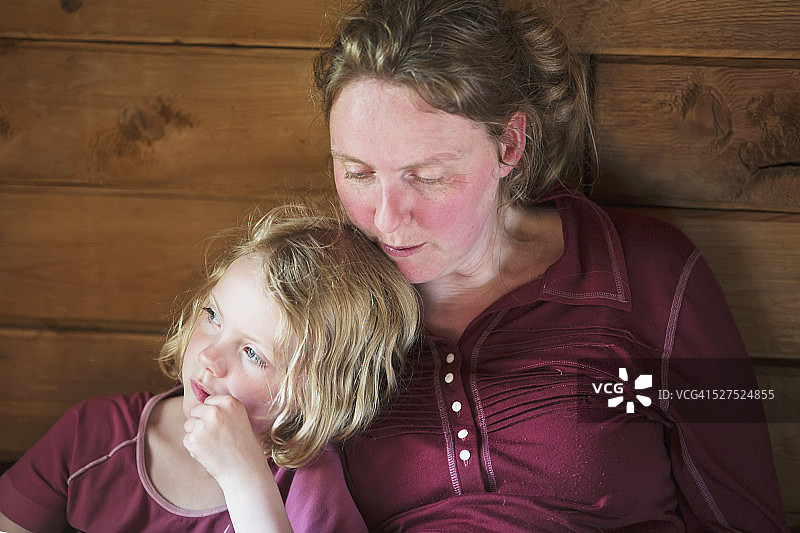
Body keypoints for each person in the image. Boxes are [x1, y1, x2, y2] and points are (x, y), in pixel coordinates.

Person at [313, 0, 790, 531]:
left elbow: (743, 517)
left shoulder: (649, 275)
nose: (386, 218)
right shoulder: (313, 303)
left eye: (425, 176)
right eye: (357, 174)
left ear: (509, 145)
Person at [0, 203, 420, 533]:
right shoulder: (91, 437)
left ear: (323, 392)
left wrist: (245, 479)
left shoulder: (311, 487)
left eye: (254, 354)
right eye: (213, 316)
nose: (209, 358)